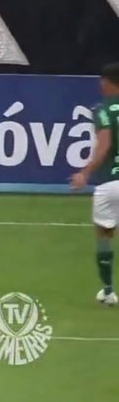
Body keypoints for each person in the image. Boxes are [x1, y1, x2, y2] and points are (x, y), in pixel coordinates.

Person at [70, 62, 119, 305]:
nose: (100, 84)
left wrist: (85, 172)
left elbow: (105, 145)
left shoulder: (102, 110)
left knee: (104, 235)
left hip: (110, 181)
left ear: (110, 82)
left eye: (103, 80)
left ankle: (109, 291)